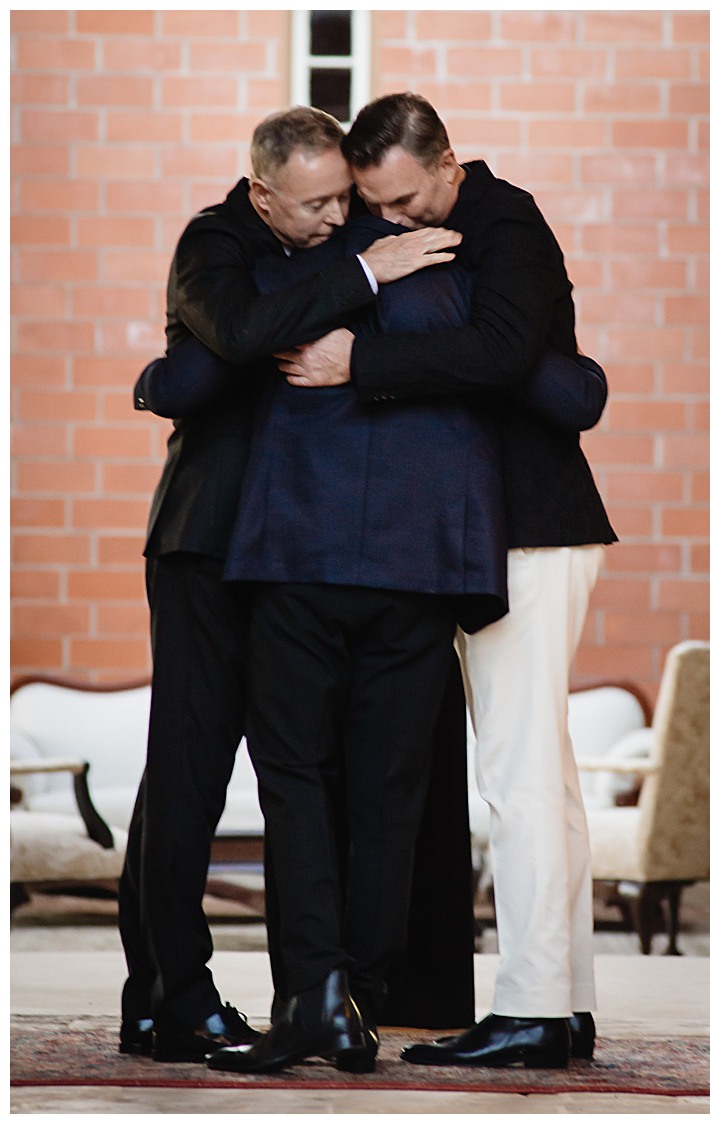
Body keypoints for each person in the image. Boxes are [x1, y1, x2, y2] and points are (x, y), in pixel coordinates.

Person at [280, 92, 616, 1069]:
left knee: (516, 774)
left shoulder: (504, 223)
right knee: (539, 772)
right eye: (372, 203)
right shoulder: (430, 223)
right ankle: (564, 1003)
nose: (388, 218)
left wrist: (359, 359)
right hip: (488, 531)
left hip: (530, 526)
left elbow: (506, 353)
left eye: (403, 198)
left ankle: (531, 1006)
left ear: (449, 163)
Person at [119, 106, 456, 1064]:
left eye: (343, 201)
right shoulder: (215, 242)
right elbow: (236, 331)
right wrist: (353, 275)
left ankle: (274, 996)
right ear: (264, 192)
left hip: (285, 552)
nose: (333, 218)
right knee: (188, 773)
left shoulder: (332, 235)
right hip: (205, 543)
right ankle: (169, 993)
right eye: (314, 206)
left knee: (283, 775)